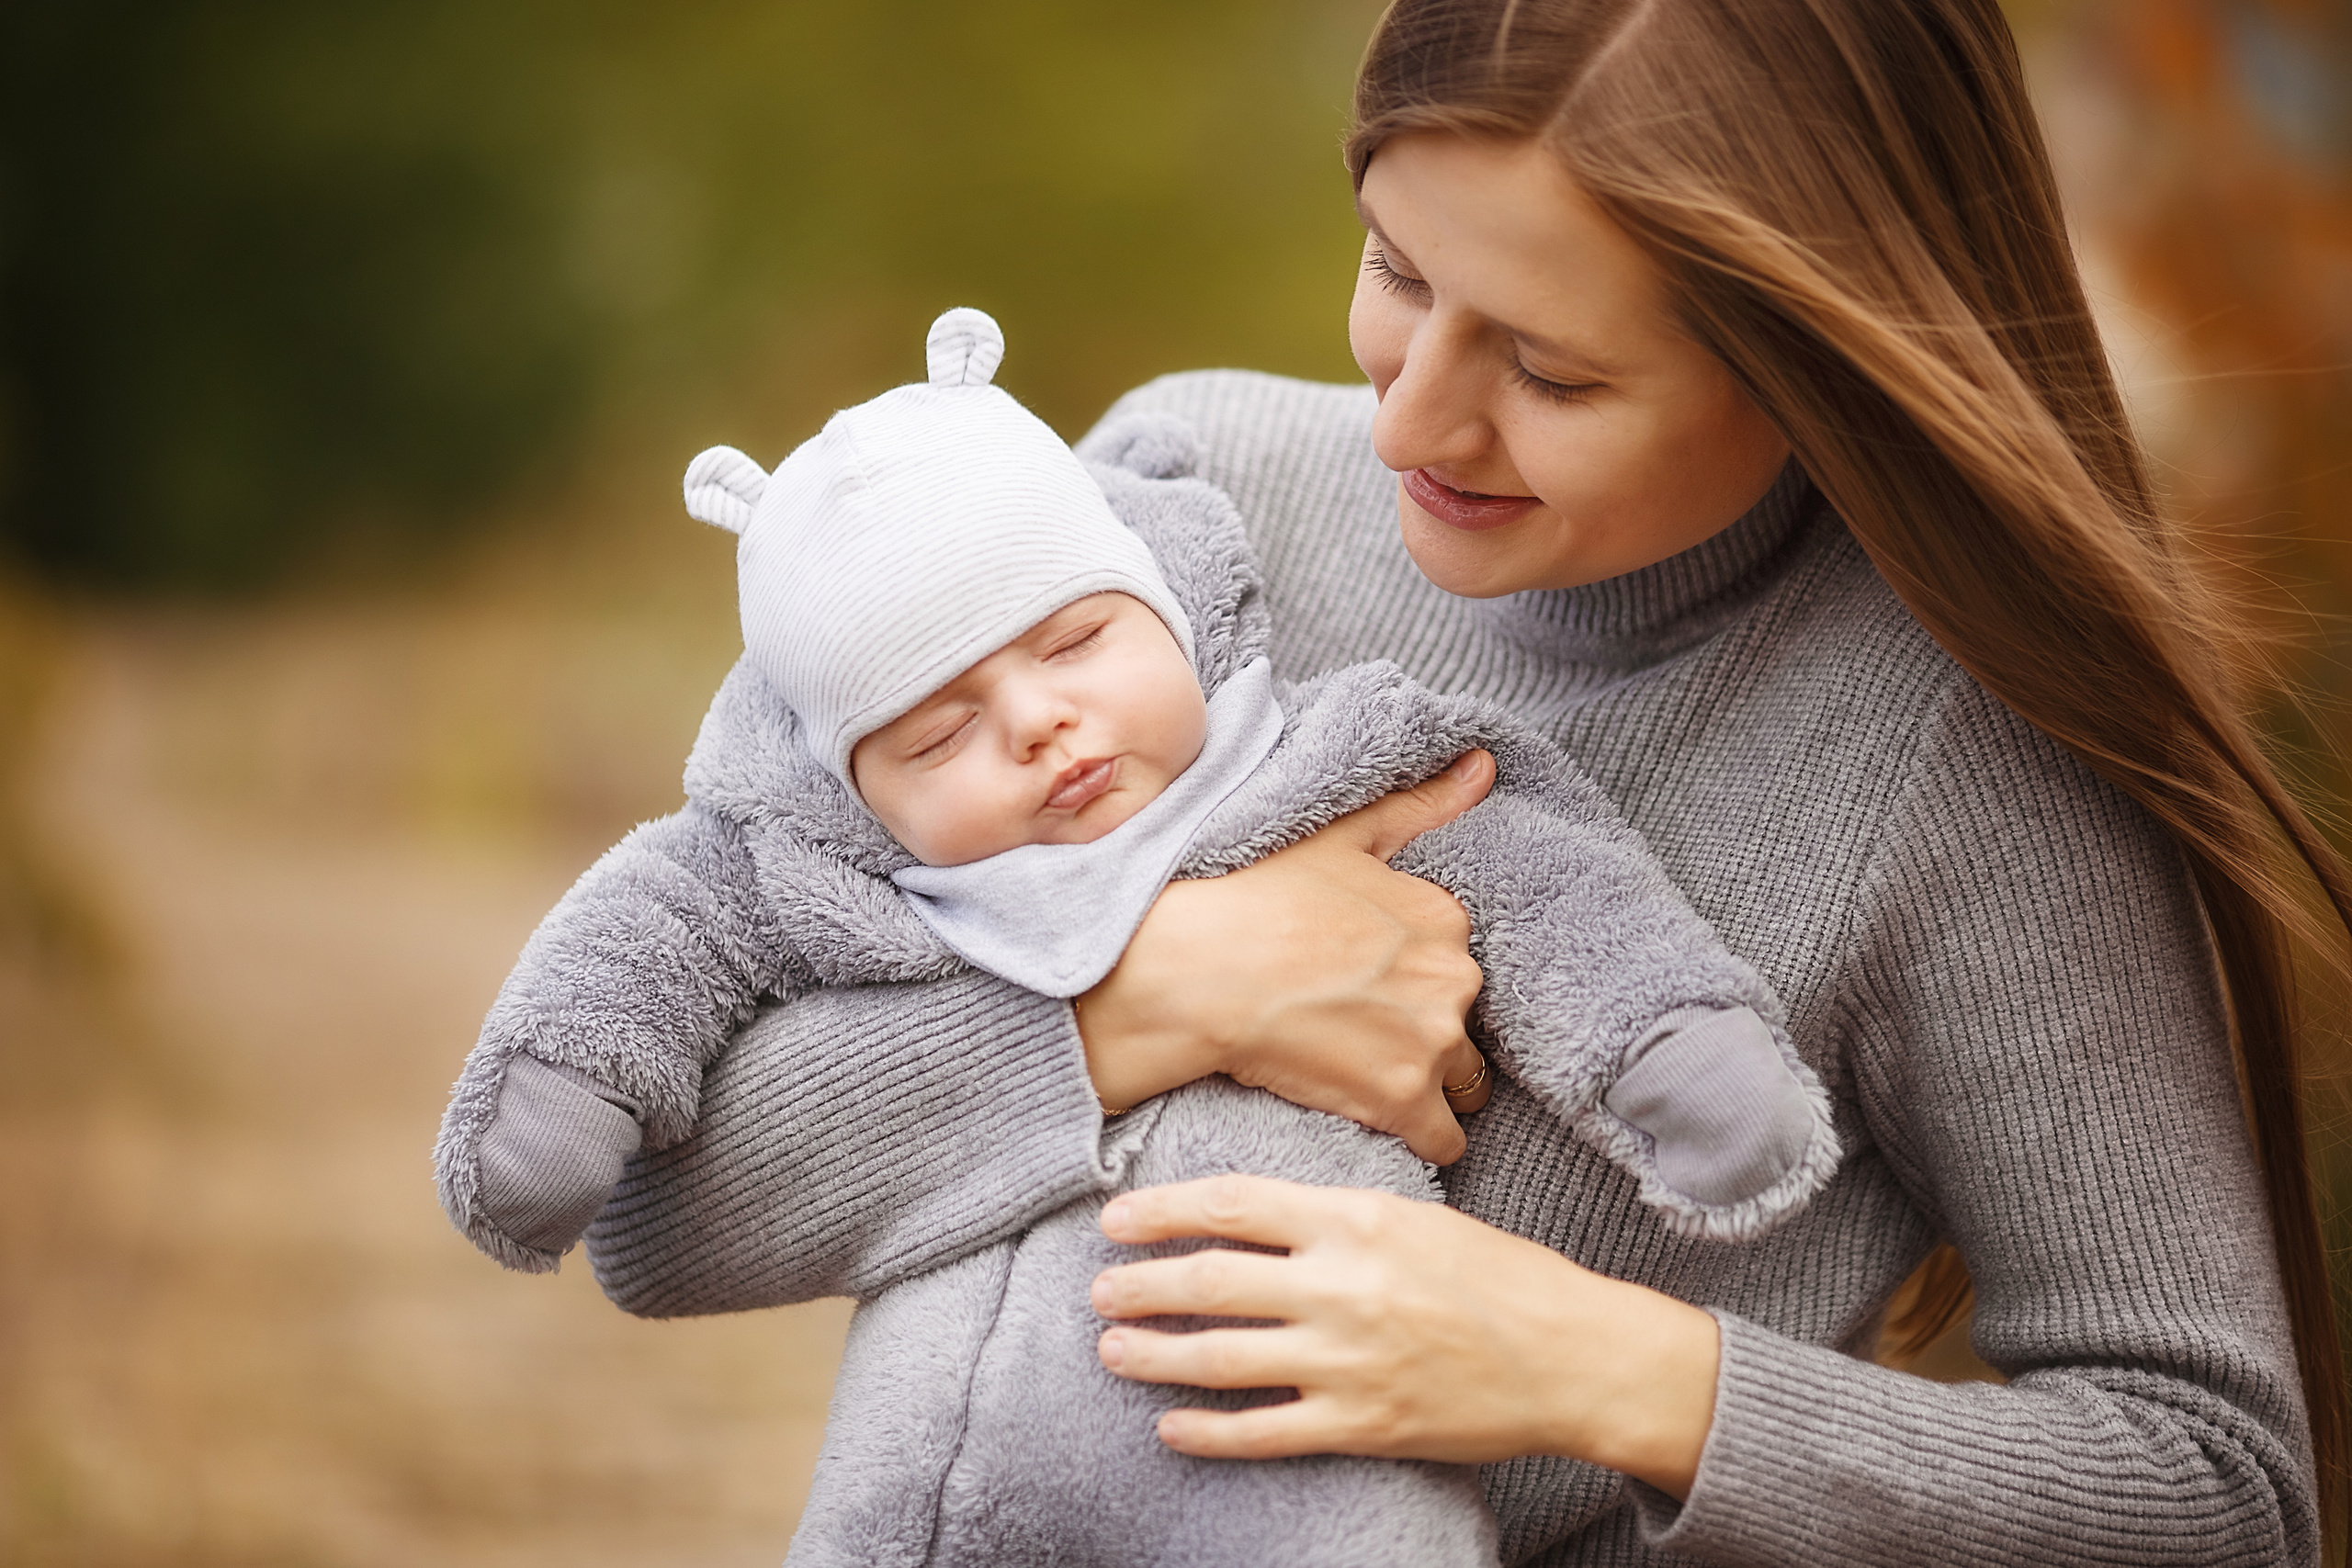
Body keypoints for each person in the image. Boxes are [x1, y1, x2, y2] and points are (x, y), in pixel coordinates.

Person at [583, 3, 2351, 1563]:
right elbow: (660, 1221)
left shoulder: (1971, 772)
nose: (1412, 425)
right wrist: (1156, 999)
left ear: (1821, 369)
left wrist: (1601, 1370)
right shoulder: (1170, 521)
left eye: (1552, 371)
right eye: (1400, 275)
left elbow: (2216, 1486)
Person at [435, 308, 1835, 1566]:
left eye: (1075, 645)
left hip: (1301, 1444)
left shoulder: (1336, 757)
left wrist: (1669, 1050)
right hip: (942, 1451)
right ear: (854, 789)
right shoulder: (828, 871)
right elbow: (653, 1007)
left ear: (1168, 603)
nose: (1039, 721)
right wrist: (1151, 1003)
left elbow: (1550, 886)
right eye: (938, 731)